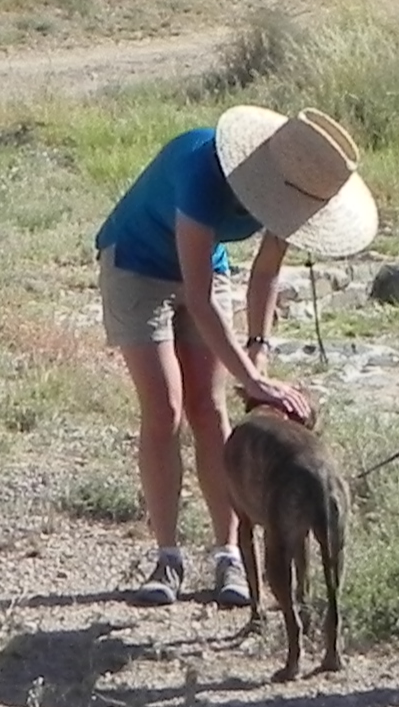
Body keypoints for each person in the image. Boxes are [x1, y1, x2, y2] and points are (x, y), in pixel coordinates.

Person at [91, 107, 372, 609]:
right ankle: (168, 557)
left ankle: (228, 555)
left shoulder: (297, 191)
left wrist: (257, 353)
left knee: (210, 408)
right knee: (166, 409)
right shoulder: (203, 168)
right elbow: (197, 299)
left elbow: (263, 276)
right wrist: (256, 384)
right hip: (136, 264)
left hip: (203, 265)